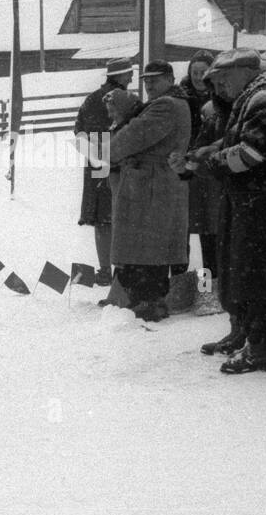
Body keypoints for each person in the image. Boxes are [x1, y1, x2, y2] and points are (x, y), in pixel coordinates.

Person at [179, 50, 266, 373]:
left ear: (243, 70)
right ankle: (245, 336)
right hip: (254, 203)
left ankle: (259, 349)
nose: (219, 89)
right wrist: (209, 150)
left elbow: (251, 152)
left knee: (262, 279)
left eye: (222, 80)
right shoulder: (253, 97)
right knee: (243, 273)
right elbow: (239, 140)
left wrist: (210, 162)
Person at [102, 60, 192, 322]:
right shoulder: (171, 104)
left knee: (147, 247)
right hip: (152, 183)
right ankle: (144, 298)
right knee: (150, 246)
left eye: (155, 79)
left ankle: (148, 301)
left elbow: (128, 139)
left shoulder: (166, 106)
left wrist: (118, 138)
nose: (149, 84)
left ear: (170, 80)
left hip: (151, 185)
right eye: (146, 80)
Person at [74, 58, 133, 286]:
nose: (130, 78)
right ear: (119, 76)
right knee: (116, 215)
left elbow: (78, 130)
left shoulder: (90, 100)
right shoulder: (122, 99)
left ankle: (106, 268)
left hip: (97, 163)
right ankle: (119, 268)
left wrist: (91, 152)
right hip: (116, 162)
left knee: (102, 218)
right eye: (128, 74)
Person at [178, 52, 221, 286]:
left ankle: (209, 283)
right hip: (186, 168)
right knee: (182, 226)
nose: (197, 77)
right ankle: (179, 282)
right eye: (194, 72)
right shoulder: (181, 97)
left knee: (209, 227)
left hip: (211, 168)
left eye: (202, 72)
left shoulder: (221, 96)